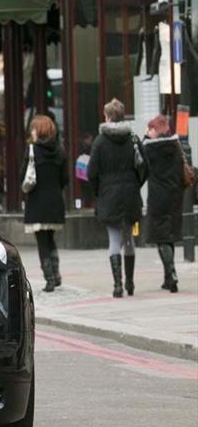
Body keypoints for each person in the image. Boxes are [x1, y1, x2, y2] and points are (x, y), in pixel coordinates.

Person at [88, 98, 145, 298]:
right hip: (130, 194)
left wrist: (99, 191)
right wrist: (136, 184)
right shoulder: (133, 139)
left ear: (108, 116)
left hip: (109, 195)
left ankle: (117, 285)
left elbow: (91, 172)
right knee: (128, 238)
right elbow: (144, 166)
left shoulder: (100, 141)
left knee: (114, 239)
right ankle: (130, 283)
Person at [21, 114, 68, 292]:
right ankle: (56, 274)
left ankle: (49, 279)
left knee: (42, 241)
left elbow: (22, 175)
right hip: (55, 201)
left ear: (39, 131)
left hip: (37, 202)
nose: (31, 132)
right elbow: (65, 178)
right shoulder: (60, 150)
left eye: (33, 129)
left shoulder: (32, 150)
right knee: (50, 239)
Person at [142, 115, 184, 292]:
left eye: (150, 128)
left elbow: (141, 164)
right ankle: (168, 277)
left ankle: (171, 272)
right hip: (174, 195)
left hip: (157, 196)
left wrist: (145, 137)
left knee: (161, 236)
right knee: (169, 235)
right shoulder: (176, 146)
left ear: (154, 130)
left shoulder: (150, 148)